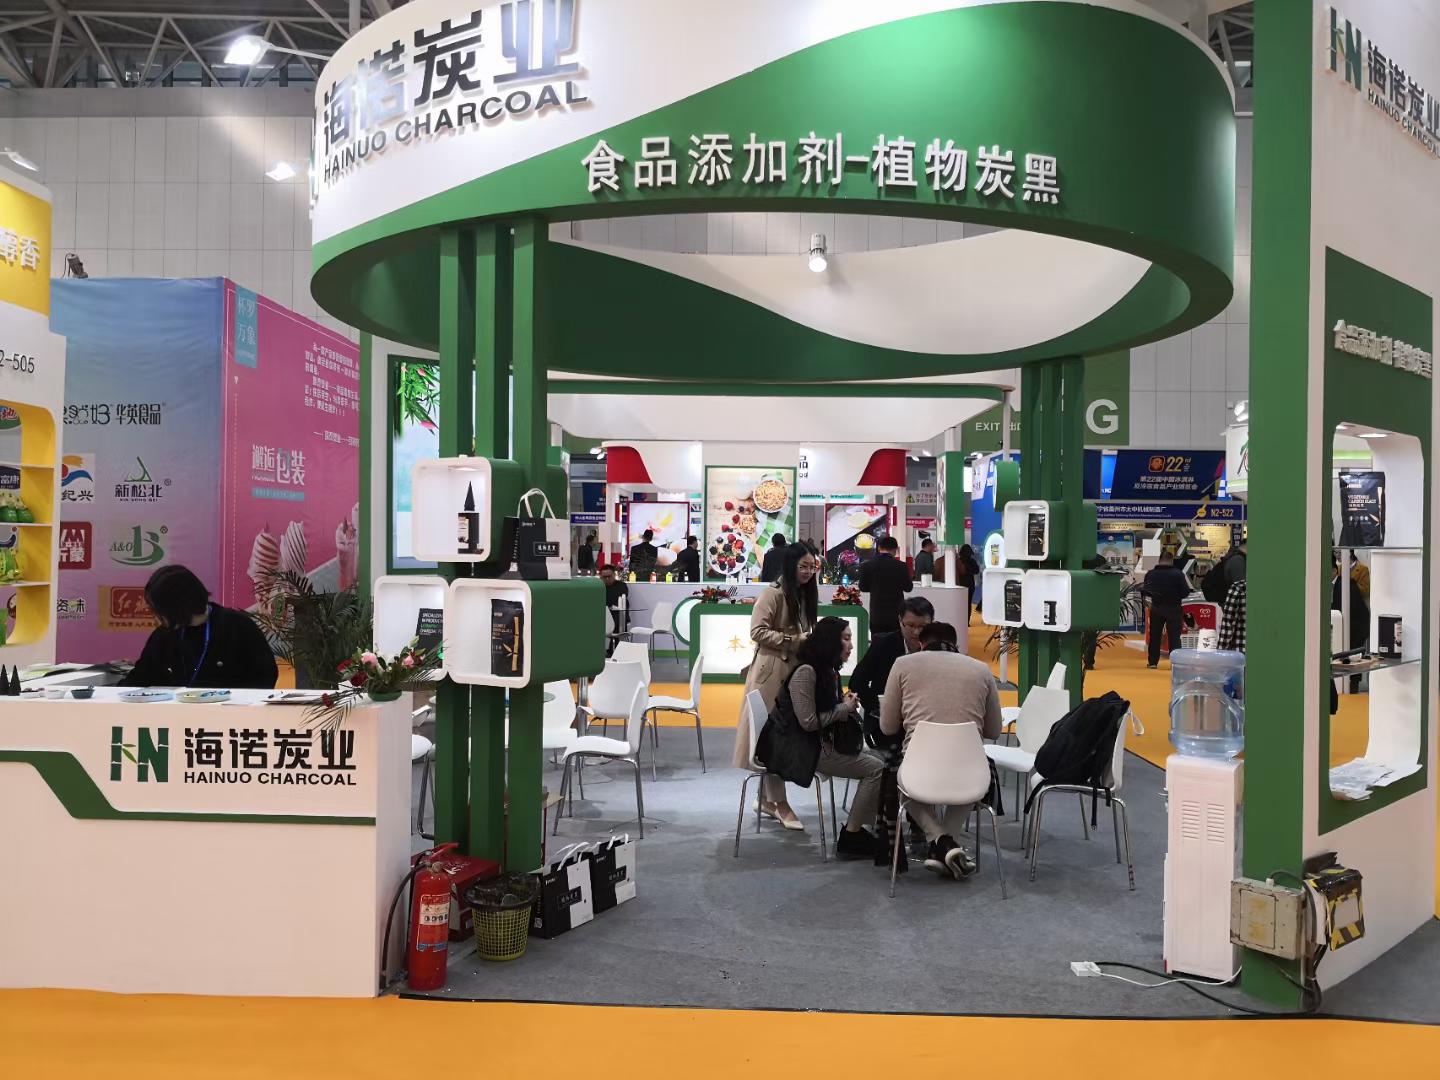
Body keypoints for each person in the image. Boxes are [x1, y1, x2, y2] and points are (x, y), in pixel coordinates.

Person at [879, 622, 1002, 879]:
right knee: (972, 784)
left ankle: (940, 842)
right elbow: (994, 730)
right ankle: (946, 845)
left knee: (902, 783)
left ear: (921, 644)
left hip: (919, 767)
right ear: (956, 645)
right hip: (971, 770)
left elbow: (887, 726)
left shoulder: (903, 664)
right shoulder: (981, 670)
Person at [772, 616, 885, 858]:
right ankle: (852, 835)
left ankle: (865, 828)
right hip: (805, 749)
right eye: (846, 639)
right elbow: (808, 722)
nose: (851, 646)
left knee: (881, 759)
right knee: (878, 769)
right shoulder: (806, 672)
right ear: (830, 641)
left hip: (820, 743)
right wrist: (844, 708)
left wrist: (842, 703)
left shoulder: (826, 670)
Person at [734, 542, 818, 829]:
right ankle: (779, 804)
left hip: (792, 671)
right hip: (771, 672)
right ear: (791, 565)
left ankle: (767, 800)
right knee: (772, 737)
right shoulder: (773, 593)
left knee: (777, 735)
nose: (808, 572)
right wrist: (793, 640)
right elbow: (757, 631)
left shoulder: (804, 594)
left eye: (812, 567)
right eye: (803, 566)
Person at [122, 565, 278, 689]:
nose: (156, 618)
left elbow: (265, 676)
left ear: (178, 606)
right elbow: (140, 677)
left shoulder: (237, 626)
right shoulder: (164, 635)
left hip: (228, 715)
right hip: (172, 715)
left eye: (159, 611)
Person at [849, 595, 934, 721]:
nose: (916, 632)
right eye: (910, 625)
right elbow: (857, 681)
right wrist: (877, 708)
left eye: (923, 626)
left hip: (926, 717)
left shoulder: (938, 648)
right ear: (900, 620)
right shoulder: (883, 644)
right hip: (885, 717)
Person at [1142, 550, 1189, 668]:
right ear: (1171, 560)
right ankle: (1175, 663)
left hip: (1156, 608)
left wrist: (1149, 604)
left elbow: (1145, 592)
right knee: (1174, 637)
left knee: (1155, 635)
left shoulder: (1150, 574)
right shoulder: (1178, 574)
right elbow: (1185, 592)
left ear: (1159, 560)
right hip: (1174, 608)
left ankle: (1153, 662)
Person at [858, 535, 913, 635]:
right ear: (895, 550)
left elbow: (863, 587)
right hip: (896, 614)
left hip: (877, 614)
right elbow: (908, 588)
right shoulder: (901, 566)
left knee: (877, 641)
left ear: (879, 548)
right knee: (896, 641)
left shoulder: (866, 565)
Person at [599, 564, 629, 656]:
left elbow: (622, 601)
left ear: (614, 575)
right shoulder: (598, 587)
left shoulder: (622, 586)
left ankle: (617, 653)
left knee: (618, 620)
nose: (607, 579)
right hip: (602, 617)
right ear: (600, 577)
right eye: (604, 577)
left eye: (609, 576)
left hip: (618, 617)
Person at [954, 543, 980, 620]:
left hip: (960, 584)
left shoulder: (958, 561)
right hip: (970, 585)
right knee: (968, 603)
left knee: (959, 603)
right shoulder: (972, 561)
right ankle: (967, 620)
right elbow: (977, 571)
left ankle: (960, 619)